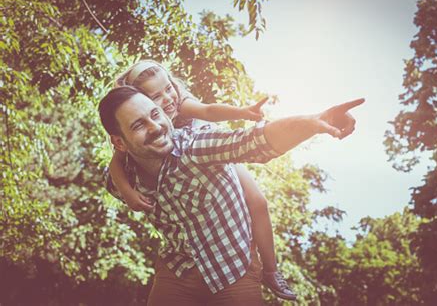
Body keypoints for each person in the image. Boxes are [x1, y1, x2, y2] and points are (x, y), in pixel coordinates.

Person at [99, 85, 364, 305]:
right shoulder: (121, 180)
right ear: (120, 143)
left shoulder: (195, 146)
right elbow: (112, 173)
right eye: (138, 125)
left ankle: (271, 271)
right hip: (176, 270)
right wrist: (122, 182)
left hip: (234, 268)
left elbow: (255, 140)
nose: (155, 127)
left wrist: (312, 122)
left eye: (155, 114)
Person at [107, 60, 295, 300]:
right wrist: (127, 191)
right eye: (156, 96)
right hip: (191, 167)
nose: (168, 98)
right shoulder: (138, 127)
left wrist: (242, 112)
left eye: (168, 88)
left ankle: (270, 271)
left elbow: (208, 111)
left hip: (212, 153)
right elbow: (116, 162)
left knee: (258, 202)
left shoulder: (182, 105)